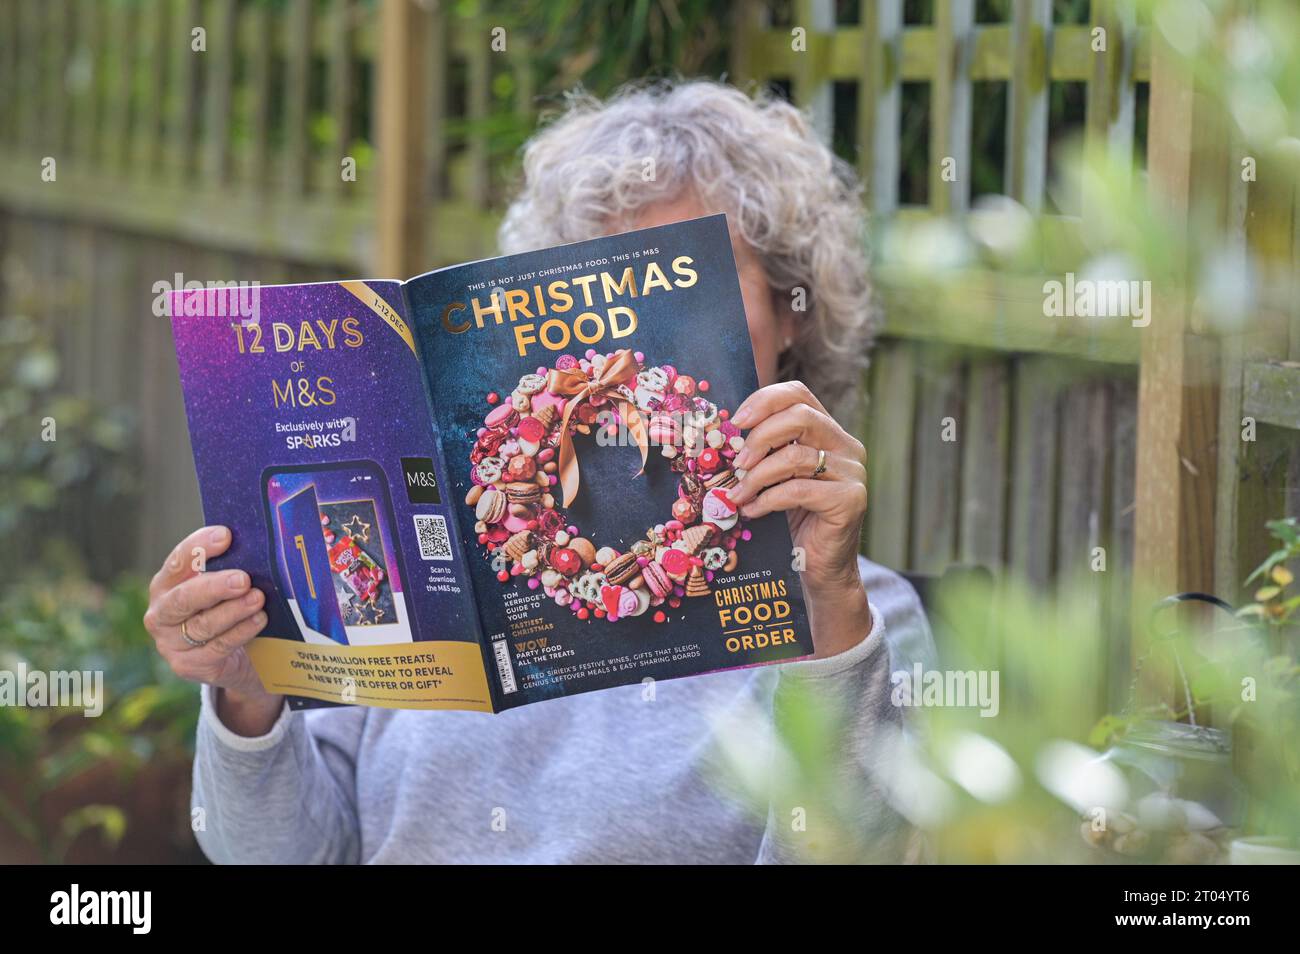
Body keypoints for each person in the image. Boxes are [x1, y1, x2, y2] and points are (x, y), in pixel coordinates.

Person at [143, 80, 936, 863]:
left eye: (686, 281)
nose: (642, 333)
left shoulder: (856, 615)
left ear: (792, 310)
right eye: (600, 285)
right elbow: (281, 855)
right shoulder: (434, 572)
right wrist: (248, 694)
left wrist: (829, 608)